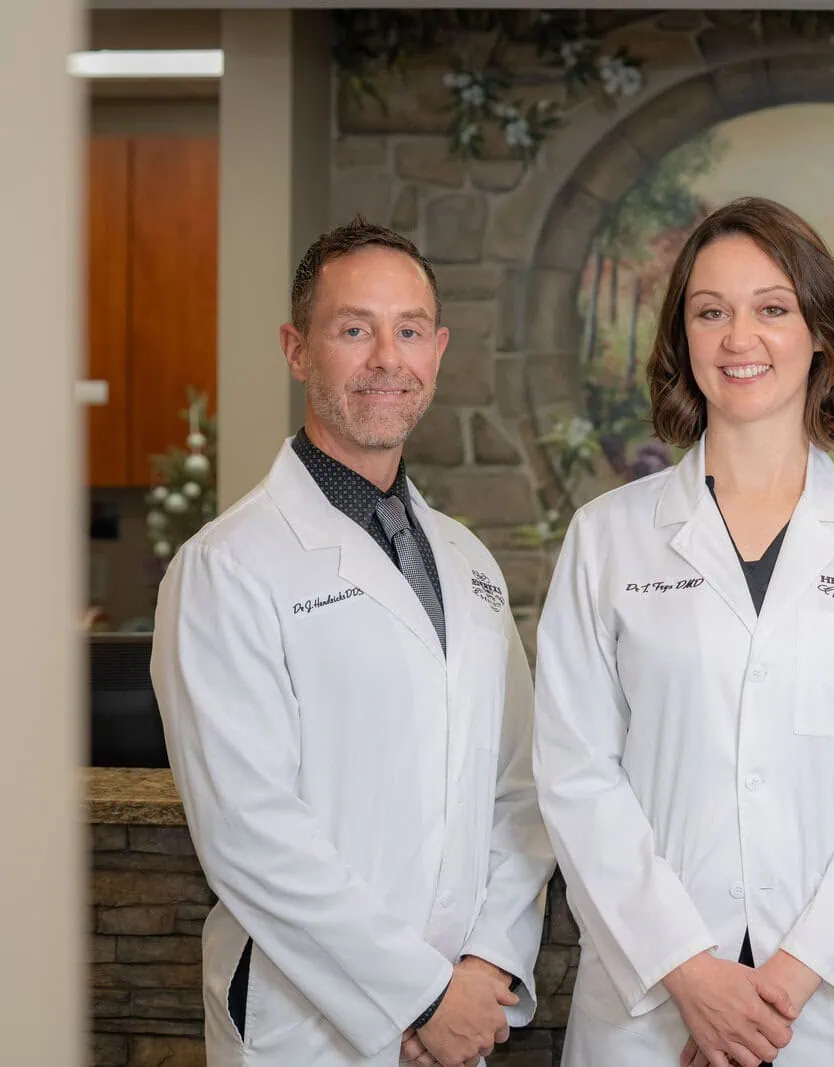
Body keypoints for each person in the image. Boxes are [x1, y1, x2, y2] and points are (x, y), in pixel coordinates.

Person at [530, 196, 834, 1067]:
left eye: (772, 308)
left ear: (818, 335)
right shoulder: (608, 536)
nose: (740, 337)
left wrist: (782, 986)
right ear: (683, 340)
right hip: (654, 1014)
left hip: (831, 1018)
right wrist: (692, 975)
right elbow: (577, 775)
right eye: (710, 311)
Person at [151, 219, 557, 1067]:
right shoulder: (225, 568)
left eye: (408, 330)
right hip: (310, 1033)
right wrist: (419, 995)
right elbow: (249, 833)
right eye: (353, 329)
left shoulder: (467, 561)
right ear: (298, 350)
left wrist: (484, 969)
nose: (385, 358)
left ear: (437, 351)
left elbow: (520, 791)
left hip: (459, 1018)